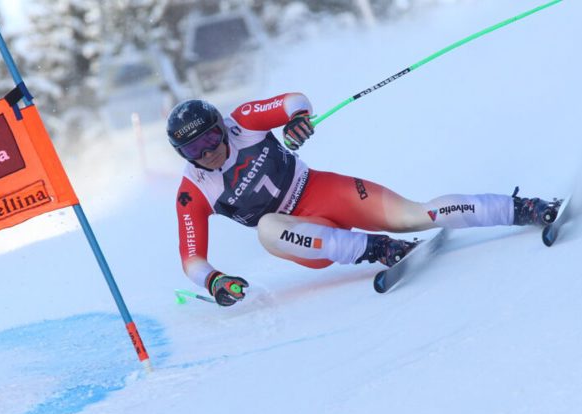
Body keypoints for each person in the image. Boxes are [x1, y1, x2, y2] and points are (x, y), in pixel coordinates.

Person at [169, 93, 560, 306]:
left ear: (222, 127)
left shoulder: (243, 121)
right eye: (193, 150)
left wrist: (297, 119)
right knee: (268, 229)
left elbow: (293, 101)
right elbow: (192, 261)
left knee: (416, 213)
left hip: (324, 190)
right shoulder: (193, 192)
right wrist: (215, 280)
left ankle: (524, 209)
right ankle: (379, 249)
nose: (207, 153)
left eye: (210, 139)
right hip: (305, 238)